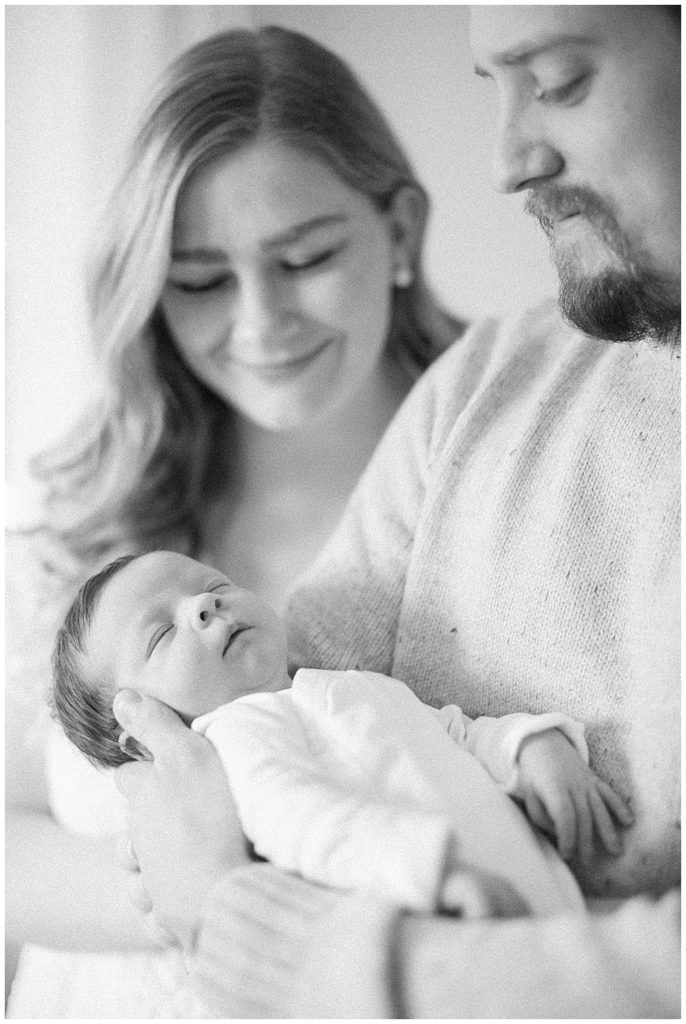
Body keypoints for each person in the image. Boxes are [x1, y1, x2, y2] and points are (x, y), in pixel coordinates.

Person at [112, 6, 681, 1018]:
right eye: (489, 87)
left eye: (556, 79)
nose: (503, 159)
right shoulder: (482, 386)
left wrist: (237, 917)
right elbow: (294, 725)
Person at [5, 25, 464, 1019]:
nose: (258, 323)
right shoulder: (106, 497)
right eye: (201, 281)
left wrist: (234, 883)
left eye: (303, 257)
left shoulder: (494, 463)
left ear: (399, 231)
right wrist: (191, 883)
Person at [52, 549, 635, 916]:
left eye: (213, 584)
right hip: (432, 916)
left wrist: (533, 749)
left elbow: (456, 734)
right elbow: (300, 822)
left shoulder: (350, 686)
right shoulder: (234, 743)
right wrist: (430, 869)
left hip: (544, 913)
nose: (203, 605)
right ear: (143, 732)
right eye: (160, 636)